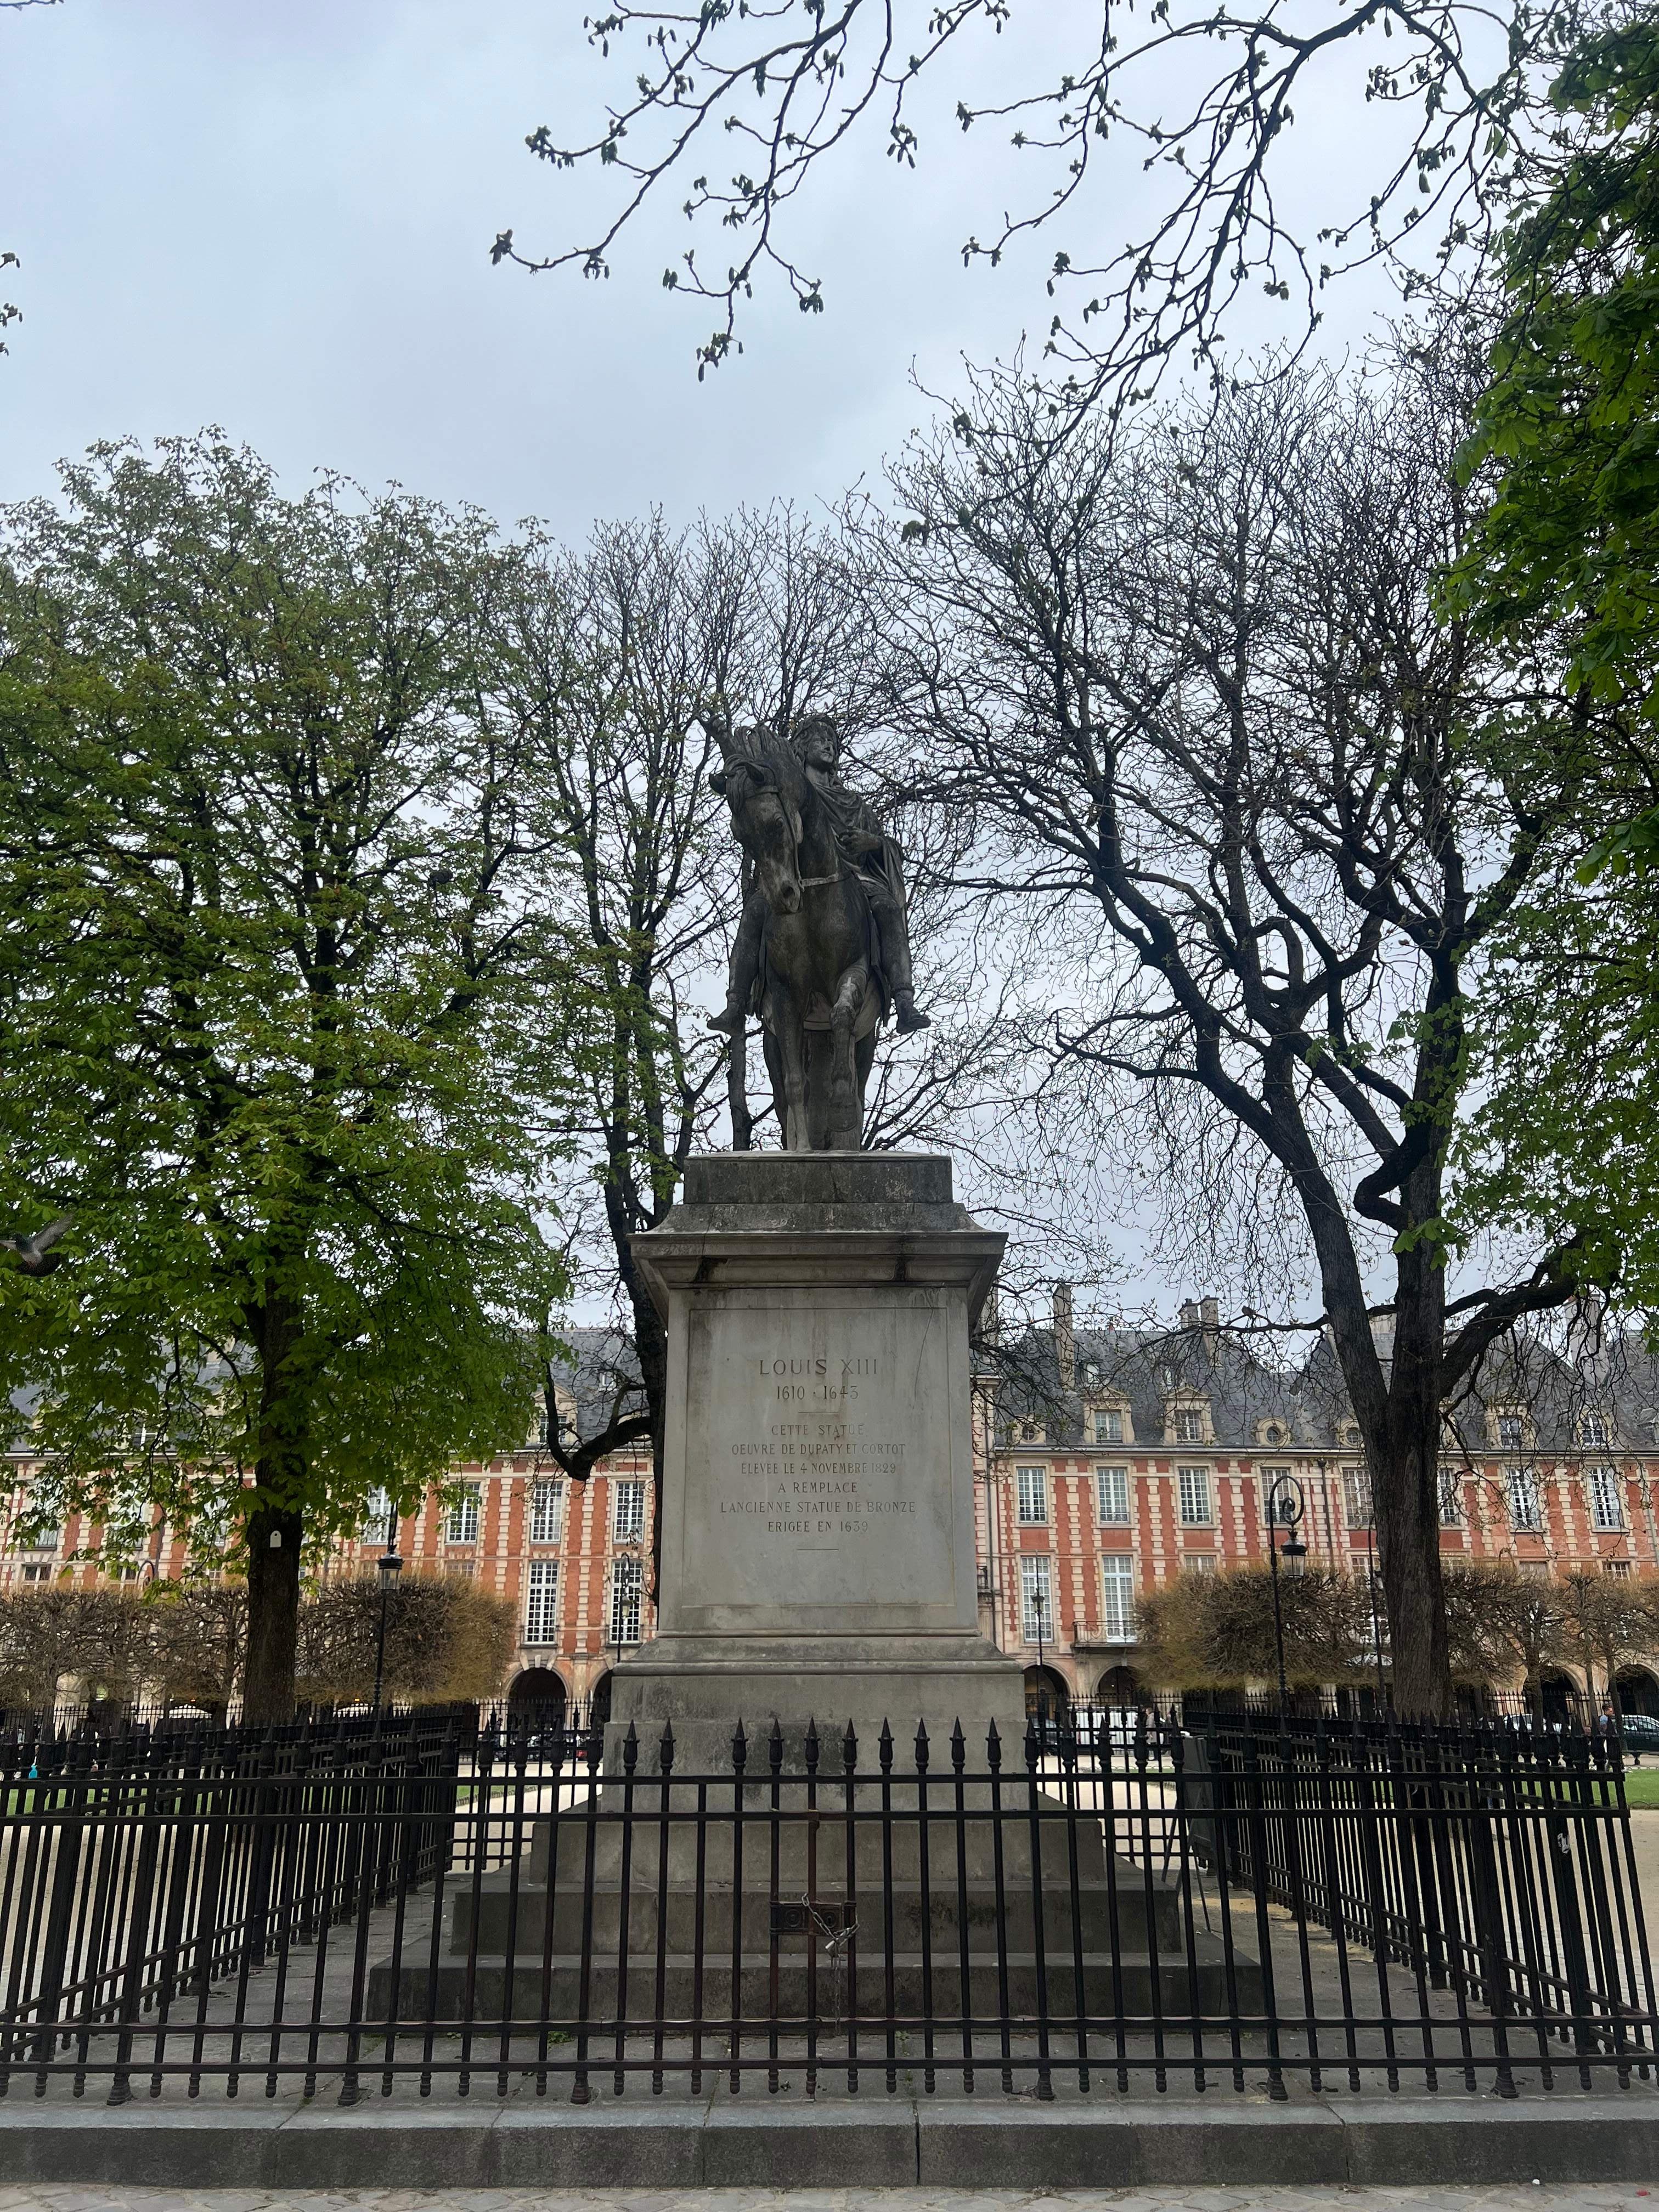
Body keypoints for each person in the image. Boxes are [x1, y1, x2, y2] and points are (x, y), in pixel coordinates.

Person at [709, 713, 931, 1035]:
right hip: (796, 879)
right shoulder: (791, 795)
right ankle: (737, 1004)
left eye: (833, 740)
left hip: (855, 881)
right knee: (756, 909)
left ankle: (904, 1000)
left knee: (886, 907)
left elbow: (893, 850)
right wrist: (726, 744)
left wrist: (873, 843)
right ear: (802, 745)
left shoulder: (855, 804)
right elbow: (758, 801)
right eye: (819, 737)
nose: (828, 744)